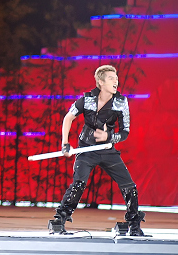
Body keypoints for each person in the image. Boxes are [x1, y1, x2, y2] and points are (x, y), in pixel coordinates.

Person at [51, 65, 145, 236]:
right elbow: (68, 117)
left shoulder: (121, 102)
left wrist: (109, 136)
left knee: (129, 186)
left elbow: (125, 132)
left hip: (107, 150)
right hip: (86, 149)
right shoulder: (86, 99)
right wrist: (65, 144)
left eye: (116, 78)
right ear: (100, 82)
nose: (116, 81)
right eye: (111, 78)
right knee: (79, 184)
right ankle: (59, 220)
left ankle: (134, 225)